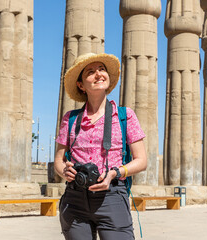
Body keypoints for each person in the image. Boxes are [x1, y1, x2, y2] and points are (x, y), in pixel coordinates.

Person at [54, 52, 147, 240]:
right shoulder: (70, 118)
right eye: (90, 71)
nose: (98, 74)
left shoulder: (125, 115)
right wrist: (65, 171)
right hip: (75, 199)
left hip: (112, 196)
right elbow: (58, 159)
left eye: (102, 69)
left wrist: (115, 172)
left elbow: (142, 160)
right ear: (81, 85)